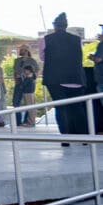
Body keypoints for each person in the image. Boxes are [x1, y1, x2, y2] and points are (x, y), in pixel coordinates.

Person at [42, 12, 87, 142]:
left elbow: (43, 57)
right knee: (77, 108)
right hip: (75, 78)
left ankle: (65, 137)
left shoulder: (46, 39)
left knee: (60, 108)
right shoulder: (77, 39)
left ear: (54, 26)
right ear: (66, 26)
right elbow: (79, 56)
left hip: (55, 78)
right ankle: (84, 137)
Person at [11, 46, 40, 125]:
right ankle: (18, 122)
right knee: (16, 102)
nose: (20, 51)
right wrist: (16, 80)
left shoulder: (32, 61)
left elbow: (37, 71)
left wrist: (32, 79)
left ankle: (28, 121)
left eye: (22, 50)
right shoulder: (17, 60)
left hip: (28, 83)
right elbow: (15, 71)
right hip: (19, 82)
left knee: (29, 102)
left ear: (26, 51)